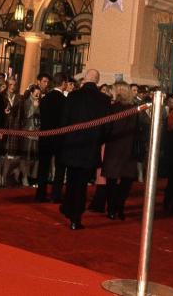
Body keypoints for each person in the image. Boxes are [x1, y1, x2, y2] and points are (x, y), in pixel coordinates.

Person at [58, 69, 110, 229]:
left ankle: (69, 209)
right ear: (97, 81)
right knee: (81, 184)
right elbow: (106, 127)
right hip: (90, 147)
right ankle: (75, 216)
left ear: (85, 79)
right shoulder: (104, 99)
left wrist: (64, 141)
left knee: (72, 180)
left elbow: (64, 121)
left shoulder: (73, 96)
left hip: (72, 145)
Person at [101, 82, 138, 219]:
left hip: (114, 148)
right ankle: (119, 207)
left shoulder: (113, 108)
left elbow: (107, 128)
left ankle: (111, 209)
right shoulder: (134, 109)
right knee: (125, 182)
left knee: (112, 180)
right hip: (128, 148)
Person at [36, 73, 67, 202]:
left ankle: (40, 194)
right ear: (63, 83)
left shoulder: (45, 98)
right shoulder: (65, 100)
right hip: (59, 138)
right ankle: (56, 195)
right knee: (59, 168)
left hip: (45, 136)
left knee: (43, 167)